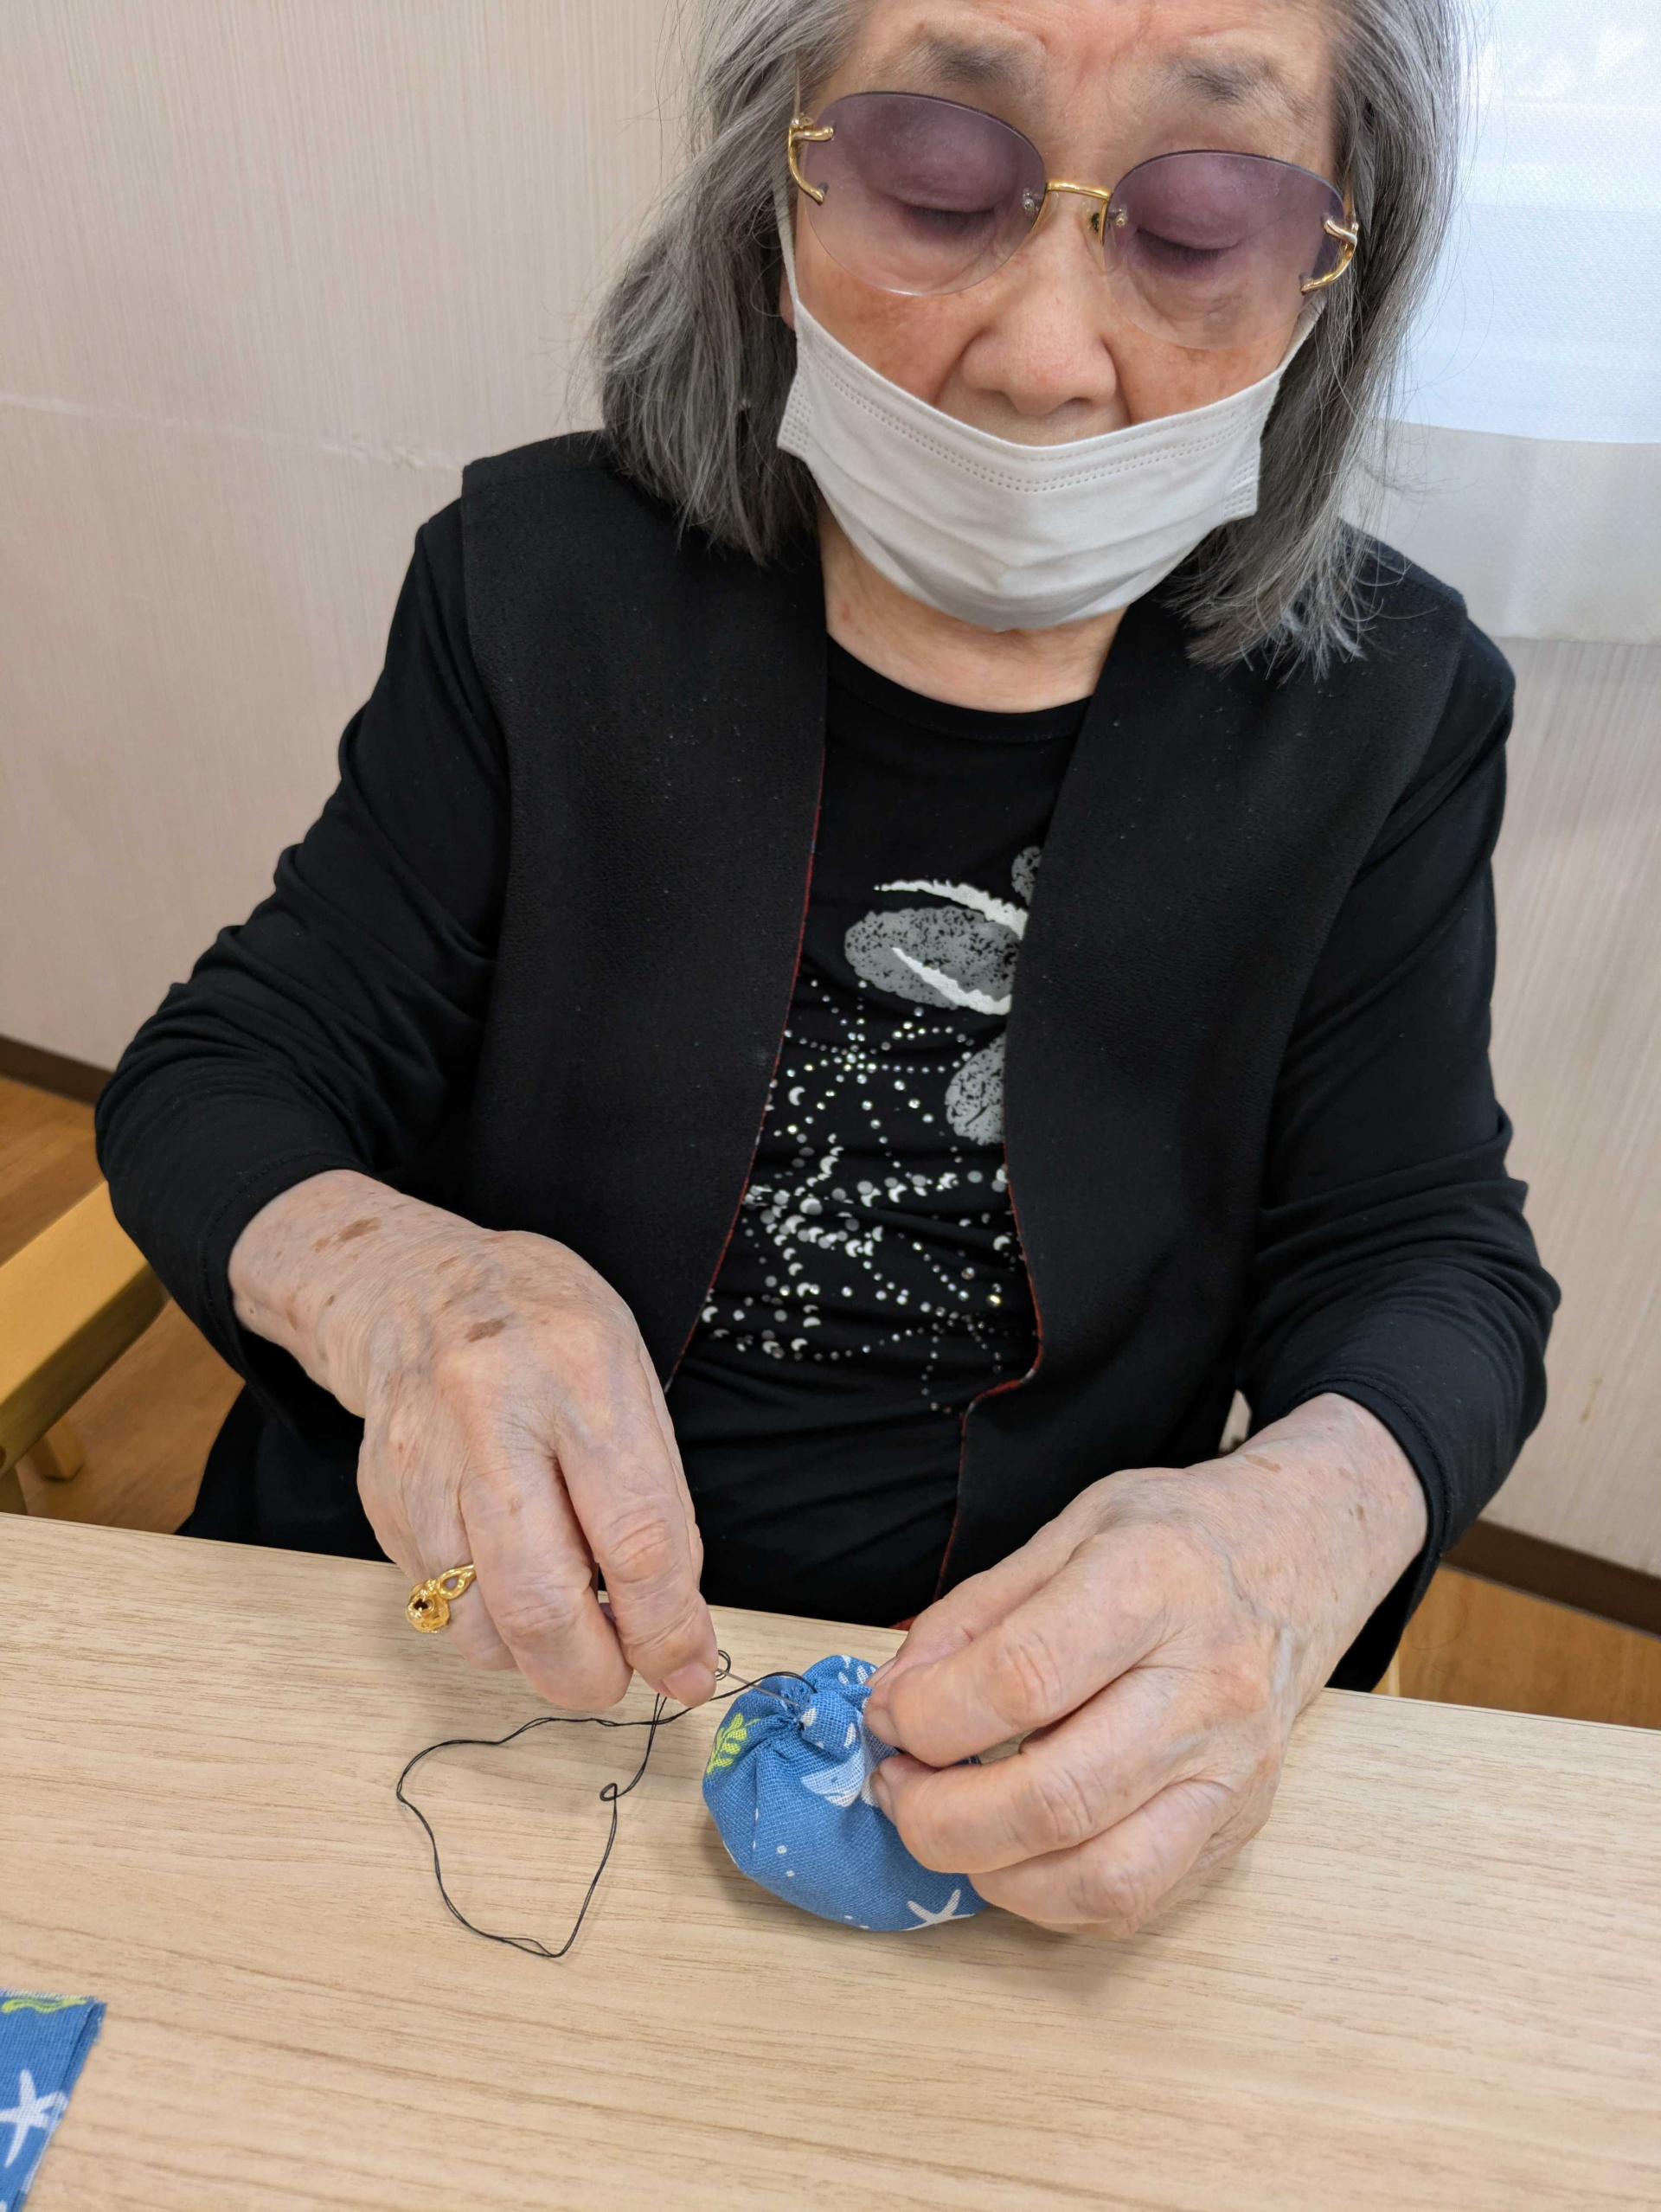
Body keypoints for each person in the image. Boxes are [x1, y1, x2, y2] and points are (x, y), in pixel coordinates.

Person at [98, 0, 1557, 1938]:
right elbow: (225, 1073)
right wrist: (414, 1291)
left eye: (1200, 226)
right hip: (445, 1640)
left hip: (981, 1737)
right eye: (937, 184)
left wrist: (1297, 1534)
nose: (1045, 360)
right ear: (773, 181)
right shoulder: (536, 581)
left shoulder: (1390, 707)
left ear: (1330, 268)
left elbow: (1426, 1254)